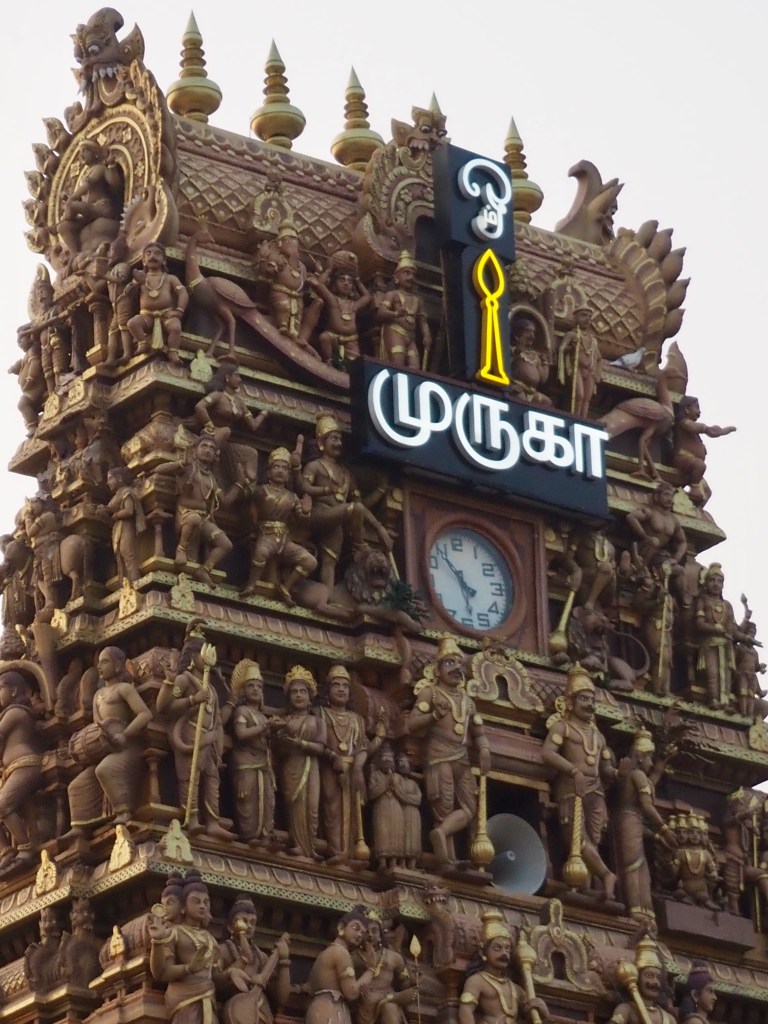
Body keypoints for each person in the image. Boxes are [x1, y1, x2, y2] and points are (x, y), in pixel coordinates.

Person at [407, 636, 490, 867]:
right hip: (438, 756)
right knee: (443, 807)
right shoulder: (430, 693)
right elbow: (412, 724)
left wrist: (484, 748)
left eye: (458, 663)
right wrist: (434, 715)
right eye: (449, 663)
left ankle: (442, 833)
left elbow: (479, 731)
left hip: (462, 758)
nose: (455, 668)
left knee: (470, 808)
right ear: (437, 670)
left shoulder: (468, 701)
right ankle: (447, 857)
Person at [541, 664, 617, 900]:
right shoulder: (562, 727)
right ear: (570, 703)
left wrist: (618, 773)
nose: (589, 704)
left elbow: (606, 769)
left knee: (593, 840)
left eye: (591, 699)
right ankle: (606, 875)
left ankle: (588, 886)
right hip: (570, 788)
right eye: (583, 698)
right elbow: (547, 753)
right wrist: (573, 771)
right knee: (577, 839)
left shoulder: (598, 736)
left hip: (596, 791)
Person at [156, 629, 234, 839]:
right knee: (191, 776)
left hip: (210, 738)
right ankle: (191, 818)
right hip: (191, 734)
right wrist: (193, 699)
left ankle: (213, 821)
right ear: (192, 656)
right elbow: (164, 707)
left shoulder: (211, 688)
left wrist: (218, 742)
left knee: (212, 778)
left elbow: (217, 718)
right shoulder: (185, 680)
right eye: (202, 653)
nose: (207, 658)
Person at [66, 646, 152, 835]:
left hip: (127, 745)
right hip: (108, 746)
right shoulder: (98, 695)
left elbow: (145, 714)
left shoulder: (125, 689)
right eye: (99, 663)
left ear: (118, 665)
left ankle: (124, 811)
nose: (99, 667)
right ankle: (80, 826)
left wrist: (125, 735)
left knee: (105, 769)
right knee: (76, 785)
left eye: (105, 662)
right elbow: (98, 725)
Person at [300, 414, 390, 590]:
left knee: (330, 561)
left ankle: (327, 597)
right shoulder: (315, 466)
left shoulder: (346, 474)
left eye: (340, 439)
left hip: (337, 519)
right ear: (321, 443)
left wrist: (380, 492)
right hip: (319, 513)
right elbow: (304, 487)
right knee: (353, 509)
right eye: (334, 439)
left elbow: (361, 506)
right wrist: (323, 491)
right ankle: (359, 545)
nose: (339, 443)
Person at [318, 665, 383, 863]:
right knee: (331, 808)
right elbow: (318, 743)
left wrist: (358, 767)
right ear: (328, 691)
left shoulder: (357, 720)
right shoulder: (321, 714)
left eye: (345, 686)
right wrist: (332, 757)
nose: (341, 689)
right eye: (336, 685)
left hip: (354, 769)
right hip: (330, 769)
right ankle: (335, 850)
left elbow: (362, 748)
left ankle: (349, 852)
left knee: (354, 811)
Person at [613, 728, 676, 929]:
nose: (651, 762)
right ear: (640, 756)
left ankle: (644, 909)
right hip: (630, 820)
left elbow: (653, 780)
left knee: (641, 867)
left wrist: (662, 761)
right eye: (649, 757)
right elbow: (647, 805)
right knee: (633, 864)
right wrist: (664, 829)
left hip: (632, 821)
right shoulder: (637, 775)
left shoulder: (640, 776)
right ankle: (636, 908)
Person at [155, 432, 233, 588]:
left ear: (215, 455)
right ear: (195, 450)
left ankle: (204, 569)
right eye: (204, 446)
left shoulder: (211, 478)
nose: (208, 450)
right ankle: (181, 549)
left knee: (226, 544)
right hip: (186, 515)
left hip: (204, 519)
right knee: (194, 518)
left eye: (212, 448)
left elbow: (224, 501)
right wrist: (181, 463)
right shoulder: (188, 468)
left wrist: (240, 486)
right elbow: (159, 469)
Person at [241, 446, 316, 604]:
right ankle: (251, 584)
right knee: (261, 552)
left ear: (288, 475)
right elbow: (246, 497)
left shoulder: (292, 497)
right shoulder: (261, 490)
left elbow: (301, 522)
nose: (280, 471)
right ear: (268, 472)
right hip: (266, 535)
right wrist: (246, 482)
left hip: (284, 540)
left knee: (310, 561)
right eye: (276, 467)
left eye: (284, 468)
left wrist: (306, 512)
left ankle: (286, 587)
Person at [273, 665, 326, 859]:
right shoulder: (284, 720)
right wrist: (280, 738)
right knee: (295, 803)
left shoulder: (318, 721)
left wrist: (300, 743)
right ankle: (297, 843)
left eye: (302, 691)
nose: (298, 695)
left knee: (312, 807)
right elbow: (278, 749)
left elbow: (321, 747)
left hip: (311, 766)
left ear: (310, 696)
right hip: (291, 766)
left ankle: (310, 846)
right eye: (294, 692)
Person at [459, 910, 548, 1024]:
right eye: (497, 948)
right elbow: (466, 1010)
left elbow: (531, 1013)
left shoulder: (516, 989)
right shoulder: (477, 981)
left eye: (507, 949)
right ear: (482, 952)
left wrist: (542, 1010)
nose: (504, 954)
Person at [218, 895, 290, 1024]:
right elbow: (215, 984)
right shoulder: (223, 951)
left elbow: (281, 999)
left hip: (260, 1013)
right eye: (244, 921)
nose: (249, 926)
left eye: (252, 922)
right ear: (230, 926)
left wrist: (284, 961)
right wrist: (250, 980)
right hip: (234, 1013)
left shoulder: (261, 957)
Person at [0, 670, 44, 870]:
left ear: (13, 690)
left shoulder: (15, 712)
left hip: (25, 766)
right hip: (12, 770)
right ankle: (6, 851)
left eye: (0, 688)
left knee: (3, 805)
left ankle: (25, 848)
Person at [304, 905, 377, 1024]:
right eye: (355, 928)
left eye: (363, 932)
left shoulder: (327, 952)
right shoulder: (341, 953)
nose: (359, 935)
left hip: (319, 1009)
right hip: (330, 1012)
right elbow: (352, 993)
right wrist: (371, 969)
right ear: (341, 927)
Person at [229, 660, 275, 845]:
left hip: (263, 764)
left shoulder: (262, 715)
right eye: (250, 686)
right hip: (245, 763)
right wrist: (265, 726)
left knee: (267, 799)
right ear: (243, 691)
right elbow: (241, 734)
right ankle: (250, 834)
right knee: (247, 799)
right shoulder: (242, 711)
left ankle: (265, 834)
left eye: (259, 686)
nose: (255, 689)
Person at [694, 563, 750, 709]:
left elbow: (733, 630)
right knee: (712, 672)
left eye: (719, 581)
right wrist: (715, 629)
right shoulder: (703, 601)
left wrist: (746, 638)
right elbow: (699, 624)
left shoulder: (727, 605)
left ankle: (725, 702)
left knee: (726, 673)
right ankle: (713, 699)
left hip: (726, 645)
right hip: (710, 643)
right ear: (706, 583)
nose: (716, 584)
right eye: (712, 580)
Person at [57, 138, 123, 259]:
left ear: (95, 153)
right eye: (80, 152)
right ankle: (74, 255)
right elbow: (83, 199)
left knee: (71, 206)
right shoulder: (86, 175)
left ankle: (68, 217)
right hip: (89, 213)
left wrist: (112, 166)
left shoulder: (99, 169)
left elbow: (115, 185)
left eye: (85, 151)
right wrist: (69, 199)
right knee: (63, 227)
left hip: (101, 207)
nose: (81, 155)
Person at [127, 242, 189, 365]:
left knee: (175, 328)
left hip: (167, 314)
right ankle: (142, 343)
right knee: (132, 323)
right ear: (143, 261)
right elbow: (128, 295)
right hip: (147, 316)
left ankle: (173, 352)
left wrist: (179, 310)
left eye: (157, 253)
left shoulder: (170, 278)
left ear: (164, 260)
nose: (152, 256)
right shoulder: (141, 278)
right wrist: (135, 284)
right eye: (148, 254)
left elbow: (183, 293)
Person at [672, 396, 736, 506]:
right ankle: (694, 488)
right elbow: (693, 427)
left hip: (694, 467)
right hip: (683, 459)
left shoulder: (694, 430)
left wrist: (723, 431)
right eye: (696, 407)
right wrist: (706, 428)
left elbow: (711, 432)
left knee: (707, 492)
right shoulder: (684, 423)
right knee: (700, 465)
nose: (699, 411)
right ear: (687, 409)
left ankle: (695, 509)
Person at [353, 913, 416, 1024]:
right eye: (366, 931)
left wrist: (414, 980)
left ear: (380, 934)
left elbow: (404, 982)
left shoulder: (394, 957)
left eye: (374, 931)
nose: (370, 935)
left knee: (390, 1008)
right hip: (365, 1002)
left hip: (388, 997)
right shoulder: (354, 957)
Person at [376, 251, 431, 369]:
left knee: (415, 367)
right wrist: (396, 313)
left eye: (413, 274)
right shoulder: (392, 294)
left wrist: (426, 335)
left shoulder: (418, 300)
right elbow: (380, 313)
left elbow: (423, 322)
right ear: (396, 277)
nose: (410, 277)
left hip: (411, 337)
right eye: (406, 273)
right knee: (397, 364)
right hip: (396, 332)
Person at [308, 266, 371, 366]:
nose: (346, 283)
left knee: (355, 365)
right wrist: (329, 269)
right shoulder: (332, 300)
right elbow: (318, 284)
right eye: (342, 280)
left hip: (351, 339)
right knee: (324, 337)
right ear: (334, 284)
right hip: (333, 336)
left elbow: (367, 296)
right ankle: (328, 361)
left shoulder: (354, 305)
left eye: (350, 282)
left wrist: (357, 280)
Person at [608, 938, 676, 1024]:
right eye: (649, 975)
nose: (655, 982)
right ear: (638, 978)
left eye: (658, 977)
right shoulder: (626, 1010)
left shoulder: (669, 1019)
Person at [625, 481, 687, 570]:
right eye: (666, 495)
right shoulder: (651, 512)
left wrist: (676, 558)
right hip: (643, 548)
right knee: (654, 542)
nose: (670, 499)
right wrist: (645, 536)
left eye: (672, 496)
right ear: (656, 496)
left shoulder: (674, 520)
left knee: (679, 570)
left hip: (659, 554)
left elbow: (682, 541)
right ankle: (640, 570)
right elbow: (631, 517)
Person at [557, 305, 602, 419]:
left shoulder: (593, 340)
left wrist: (598, 374)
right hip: (577, 369)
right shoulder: (572, 334)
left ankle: (583, 419)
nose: (587, 319)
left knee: (587, 398)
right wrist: (571, 348)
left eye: (590, 317)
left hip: (590, 372)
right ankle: (575, 418)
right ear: (575, 318)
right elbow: (561, 349)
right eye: (583, 315)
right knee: (579, 395)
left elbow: (599, 358)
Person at [105, 467, 146, 583]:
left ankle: (134, 579)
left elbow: (129, 510)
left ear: (119, 478)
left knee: (127, 551)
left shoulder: (127, 492)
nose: (107, 482)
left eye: (110, 479)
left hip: (127, 526)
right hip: (119, 528)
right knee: (120, 553)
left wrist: (115, 515)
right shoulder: (116, 496)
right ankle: (126, 581)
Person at [508, 316, 551, 407]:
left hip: (532, 392)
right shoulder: (513, 350)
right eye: (528, 331)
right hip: (517, 388)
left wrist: (545, 362)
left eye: (533, 332)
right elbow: (507, 363)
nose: (532, 335)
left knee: (547, 402)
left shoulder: (535, 356)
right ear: (517, 334)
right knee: (521, 400)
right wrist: (518, 348)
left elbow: (543, 379)